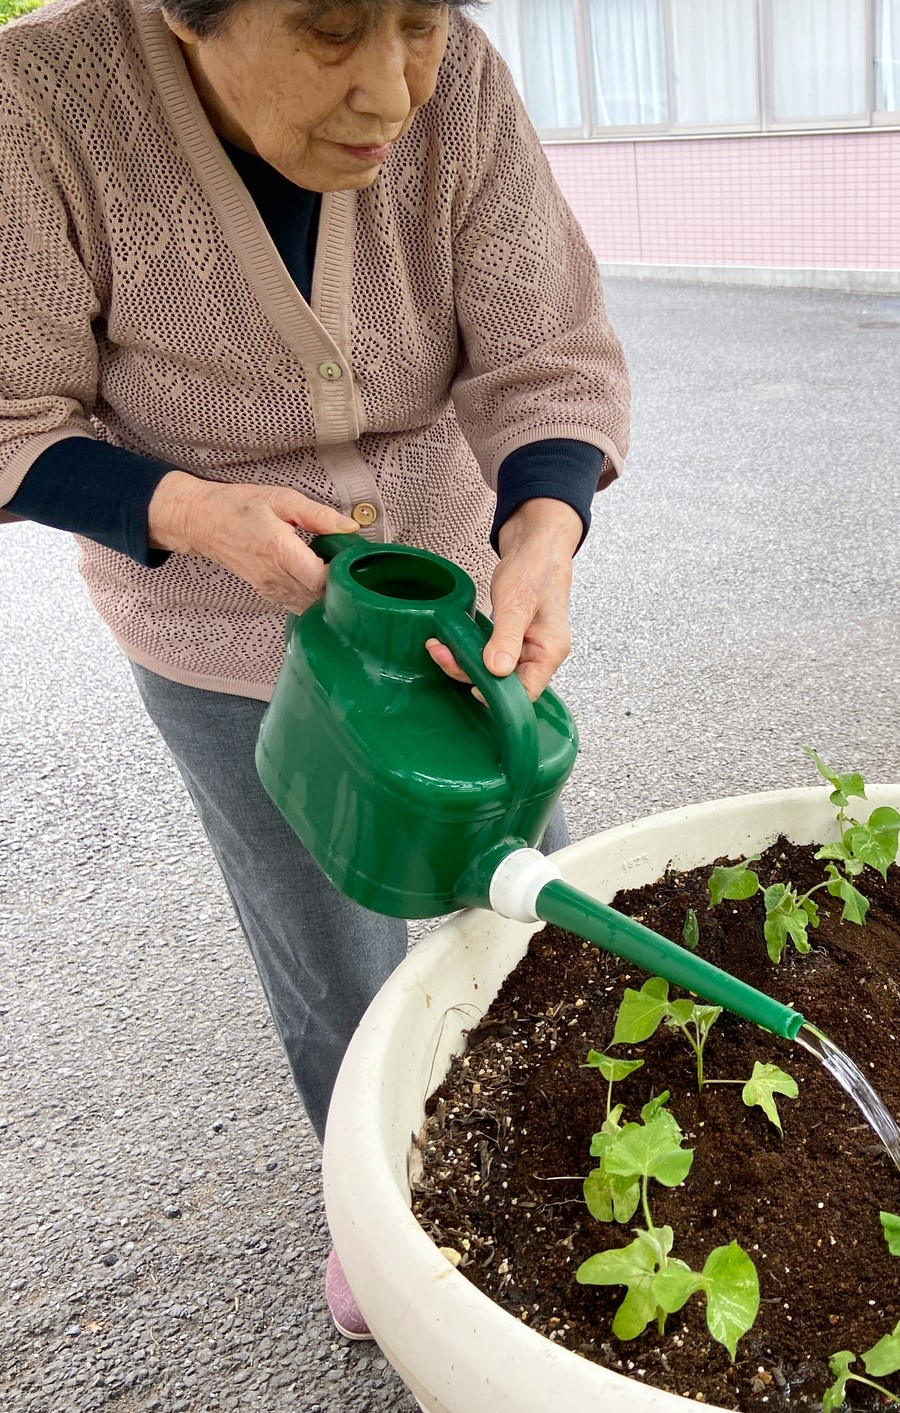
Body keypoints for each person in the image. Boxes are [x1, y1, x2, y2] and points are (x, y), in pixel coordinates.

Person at [0, 0, 630, 1339]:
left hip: (452, 609)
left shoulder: (460, 89)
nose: (392, 88)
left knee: (527, 905)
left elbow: (548, 355)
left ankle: (586, 1164)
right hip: (225, 632)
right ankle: (380, 1209)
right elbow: (14, 413)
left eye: (420, 22)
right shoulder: (41, 103)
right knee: (325, 948)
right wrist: (189, 511)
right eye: (333, 28)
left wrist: (541, 531)